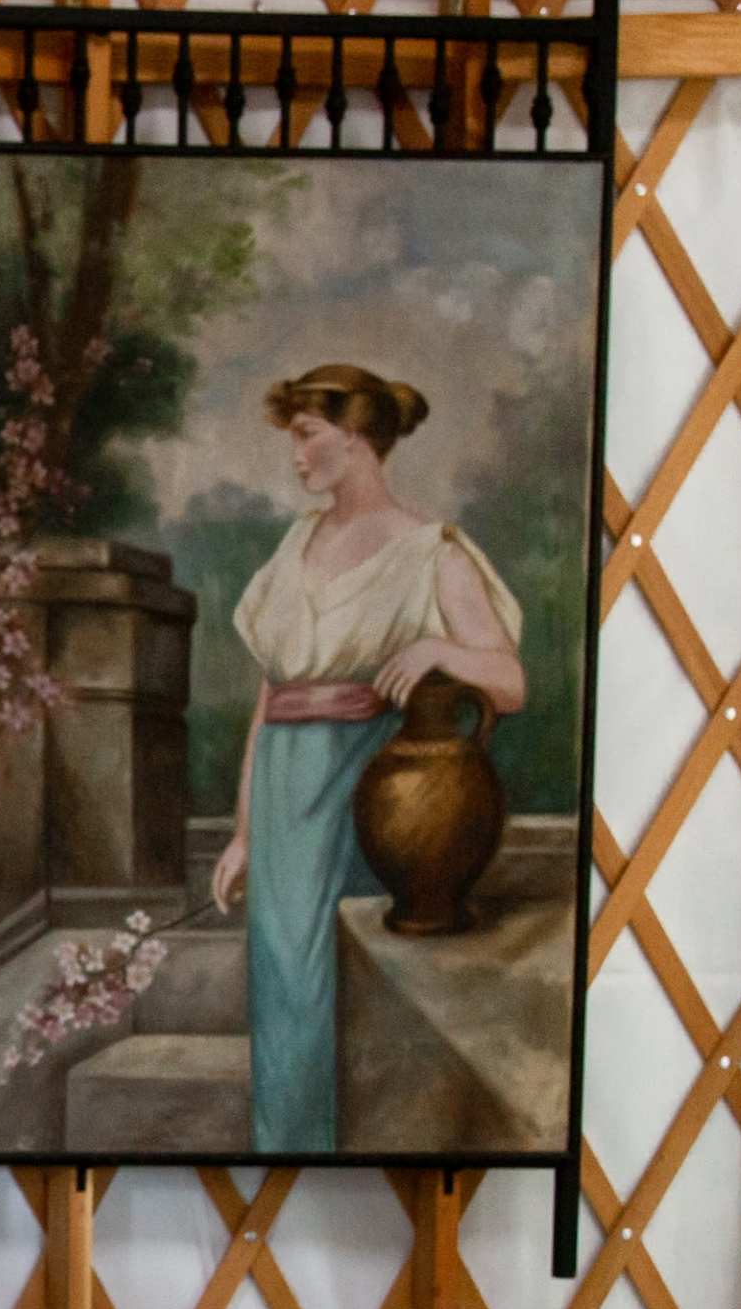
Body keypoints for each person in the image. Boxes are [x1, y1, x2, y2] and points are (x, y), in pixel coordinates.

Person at [208, 365, 527, 1155]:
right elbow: (268, 695)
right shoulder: (296, 544)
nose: (296, 458)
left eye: (308, 436)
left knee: (334, 975)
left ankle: (329, 1170)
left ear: (355, 438)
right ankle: (286, 1157)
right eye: (294, 440)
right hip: (283, 785)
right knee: (282, 981)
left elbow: (510, 681)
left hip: (365, 782)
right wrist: (246, 829)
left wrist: (437, 645)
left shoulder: (430, 553)